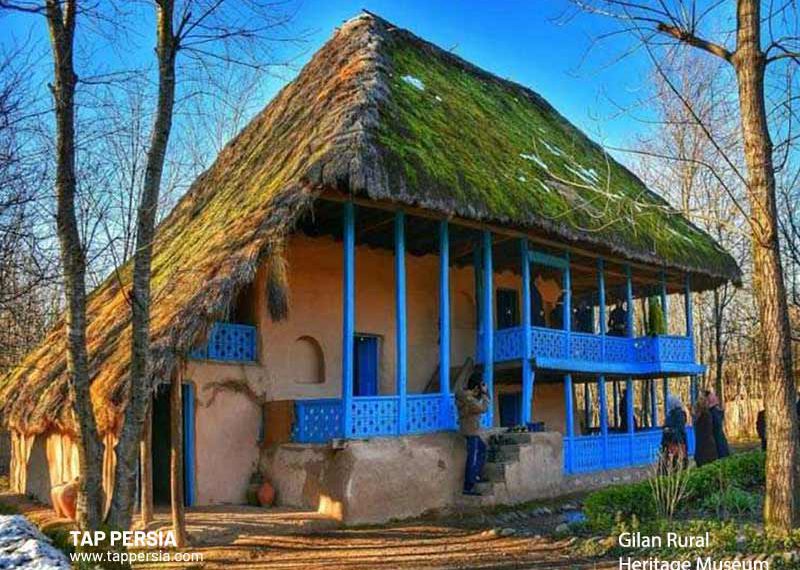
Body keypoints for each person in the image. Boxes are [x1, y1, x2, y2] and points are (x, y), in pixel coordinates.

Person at [456, 374, 490, 495]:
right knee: (473, 456)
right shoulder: (469, 399)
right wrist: (485, 394)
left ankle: (475, 476)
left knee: (482, 449)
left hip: (469, 429)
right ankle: (468, 485)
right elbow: (483, 408)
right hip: (471, 430)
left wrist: (481, 393)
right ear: (476, 387)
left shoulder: (465, 396)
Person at [661, 394, 688, 470]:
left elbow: (679, 430)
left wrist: (669, 431)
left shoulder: (679, 415)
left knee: (676, 466)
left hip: (675, 444)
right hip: (668, 443)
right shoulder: (670, 414)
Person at [693, 396, 718, 467]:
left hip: (705, 450)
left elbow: (703, 434)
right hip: (707, 449)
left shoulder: (704, 417)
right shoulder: (705, 416)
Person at [705, 391, 730, 459]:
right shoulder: (713, 412)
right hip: (718, 443)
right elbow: (717, 425)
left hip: (718, 442)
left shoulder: (711, 412)